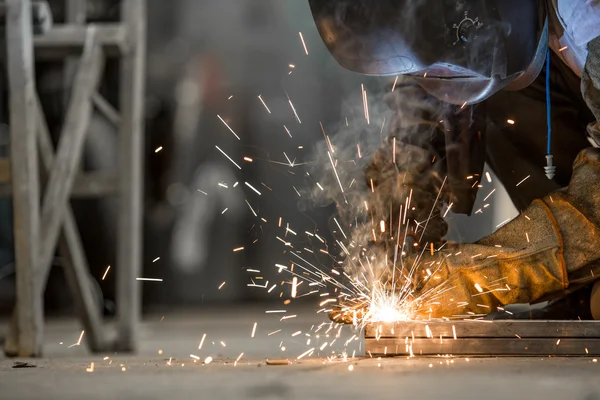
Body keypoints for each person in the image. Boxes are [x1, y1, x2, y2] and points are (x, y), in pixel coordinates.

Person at [310, 0, 600, 319]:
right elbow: (423, 117)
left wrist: (472, 277)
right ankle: (581, 282)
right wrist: (396, 220)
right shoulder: (459, 21)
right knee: (487, 87)